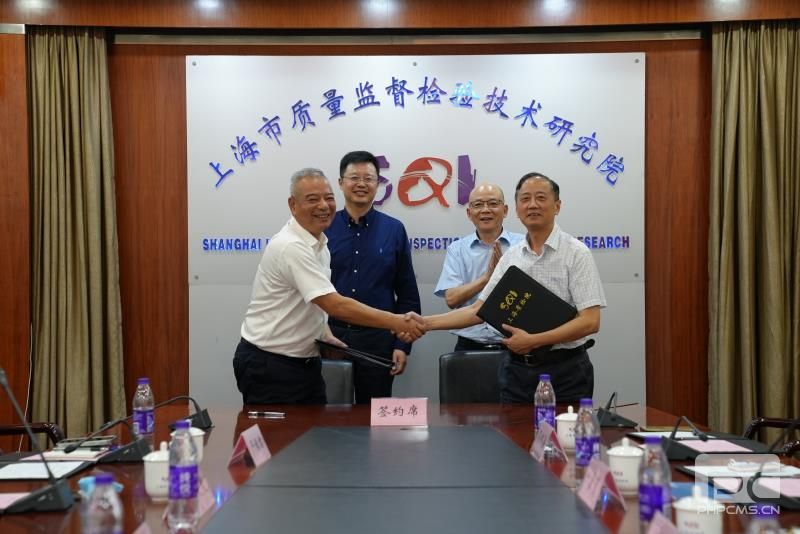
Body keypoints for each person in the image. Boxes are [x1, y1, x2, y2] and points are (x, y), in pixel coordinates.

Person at [233, 168, 424, 405]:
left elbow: (313, 303)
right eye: (313, 199)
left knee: (316, 428)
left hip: (305, 362)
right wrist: (397, 322)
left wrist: (325, 334)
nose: (324, 206)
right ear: (293, 205)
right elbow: (335, 305)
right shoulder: (291, 246)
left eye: (329, 198)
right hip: (271, 364)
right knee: (280, 431)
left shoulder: (320, 243)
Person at [424, 172, 606, 404]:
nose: (532, 205)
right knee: (512, 429)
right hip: (517, 372)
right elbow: (478, 310)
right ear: (517, 209)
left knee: (564, 429)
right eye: (525, 199)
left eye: (541, 198)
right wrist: (424, 323)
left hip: (566, 370)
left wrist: (535, 340)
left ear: (557, 206)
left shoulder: (577, 253)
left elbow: (590, 321)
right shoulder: (511, 256)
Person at [325, 151, 422, 403]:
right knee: (329, 416)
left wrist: (402, 345)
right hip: (330, 338)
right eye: (354, 177)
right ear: (340, 183)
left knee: (374, 416)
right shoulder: (324, 229)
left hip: (378, 341)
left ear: (378, 184)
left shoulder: (394, 229)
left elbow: (407, 292)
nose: (361, 184)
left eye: (368, 178)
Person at [433, 182, 524, 351]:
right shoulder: (457, 249)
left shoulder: (523, 245)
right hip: (469, 345)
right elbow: (451, 299)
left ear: (505, 210)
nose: (485, 210)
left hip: (515, 343)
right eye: (478, 205)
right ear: (469, 213)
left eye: (493, 203)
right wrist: (486, 279)